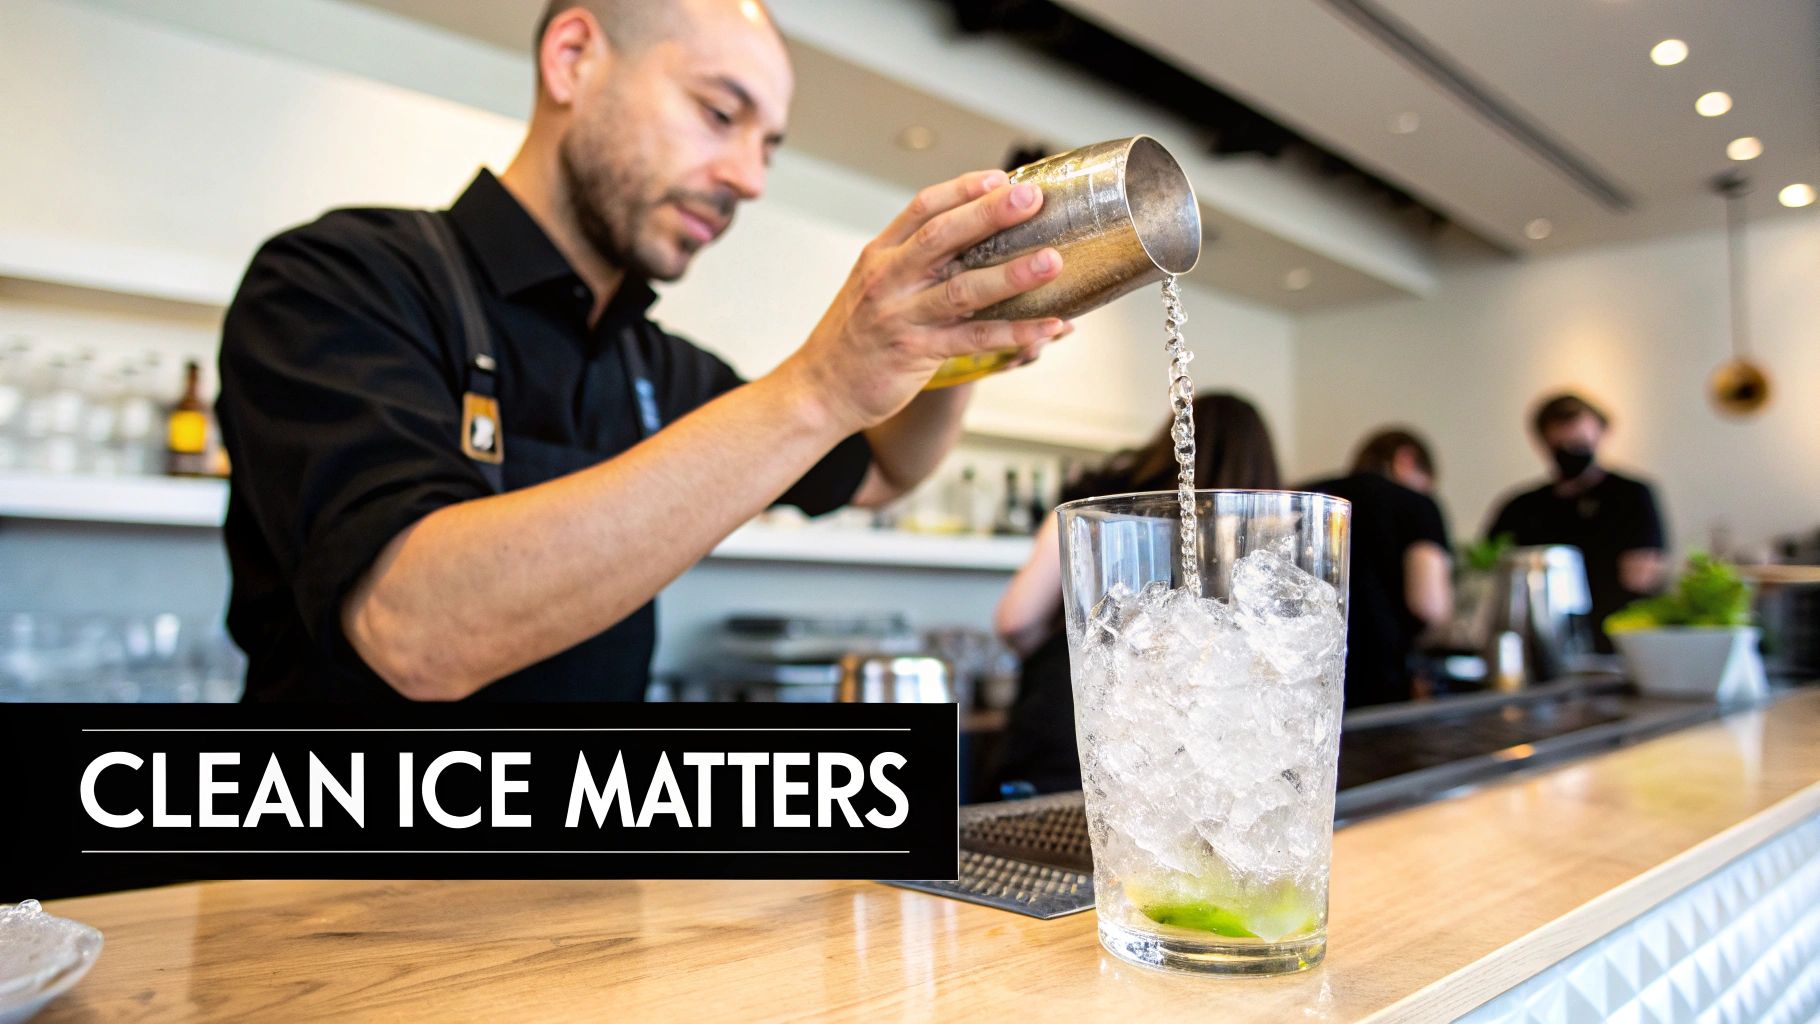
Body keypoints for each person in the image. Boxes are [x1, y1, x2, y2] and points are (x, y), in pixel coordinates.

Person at [217, 0, 1074, 702]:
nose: (749, 178)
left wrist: (960, 337)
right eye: (719, 114)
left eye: (768, 145)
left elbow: (886, 468)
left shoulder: (659, 368)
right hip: (336, 891)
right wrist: (819, 385)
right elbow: (415, 630)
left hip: (594, 894)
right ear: (573, 58)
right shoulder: (339, 281)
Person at [990, 394, 1282, 794]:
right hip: (1192, 765)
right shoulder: (1268, 530)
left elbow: (1016, 619)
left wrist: (1081, 653)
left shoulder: (1099, 498)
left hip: (1069, 730)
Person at [1485, 393, 1668, 651]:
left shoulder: (1631, 495)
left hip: (1616, 644)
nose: (1571, 452)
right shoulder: (1521, 507)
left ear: (1601, 434)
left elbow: (1642, 575)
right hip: (1540, 645)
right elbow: (1488, 575)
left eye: (1579, 443)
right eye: (1562, 445)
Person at [1304, 428, 1452, 708]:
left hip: (1307, 676)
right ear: (1405, 459)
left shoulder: (1307, 492)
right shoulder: (1417, 504)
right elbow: (1429, 604)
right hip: (1380, 679)